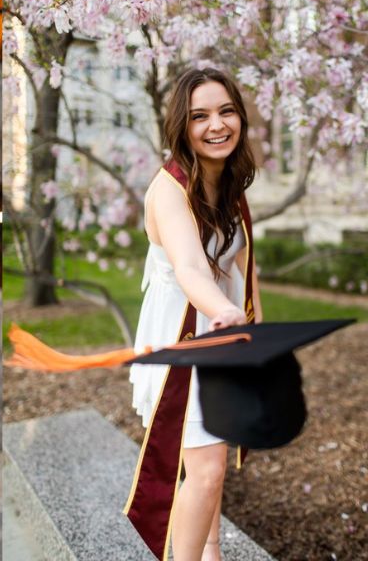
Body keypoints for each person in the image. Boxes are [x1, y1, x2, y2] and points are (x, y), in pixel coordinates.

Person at [126, 68, 262, 561]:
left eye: (226, 111)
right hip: (184, 336)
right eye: (200, 115)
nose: (216, 125)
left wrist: (255, 330)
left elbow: (243, 267)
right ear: (182, 126)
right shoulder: (170, 189)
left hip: (224, 329)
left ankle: (211, 551)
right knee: (205, 468)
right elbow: (189, 267)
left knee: (213, 459)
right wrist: (224, 311)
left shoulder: (229, 181)